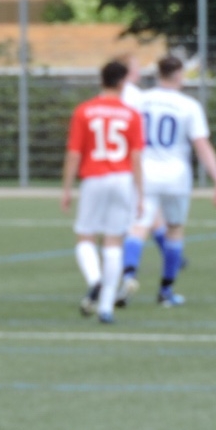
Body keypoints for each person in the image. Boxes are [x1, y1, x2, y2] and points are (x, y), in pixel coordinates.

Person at [118, 56, 216, 307]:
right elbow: (202, 145)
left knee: (138, 227)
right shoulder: (189, 105)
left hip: (145, 174)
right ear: (179, 75)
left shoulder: (140, 101)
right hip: (177, 178)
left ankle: (128, 276)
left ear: (158, 74)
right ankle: (166, 291)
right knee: (174, 230)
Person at [62, 60, 145, 324]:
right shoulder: (131, 114)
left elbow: (74, 153)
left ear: (101, 81)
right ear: (123, 83)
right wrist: (141, 194)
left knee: (85, 237)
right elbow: (136, 157)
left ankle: (94, 280)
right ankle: (106, 308)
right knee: (113, 242)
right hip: (122, 179)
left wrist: (67, 188)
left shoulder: (84, 111)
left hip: (94, 178)